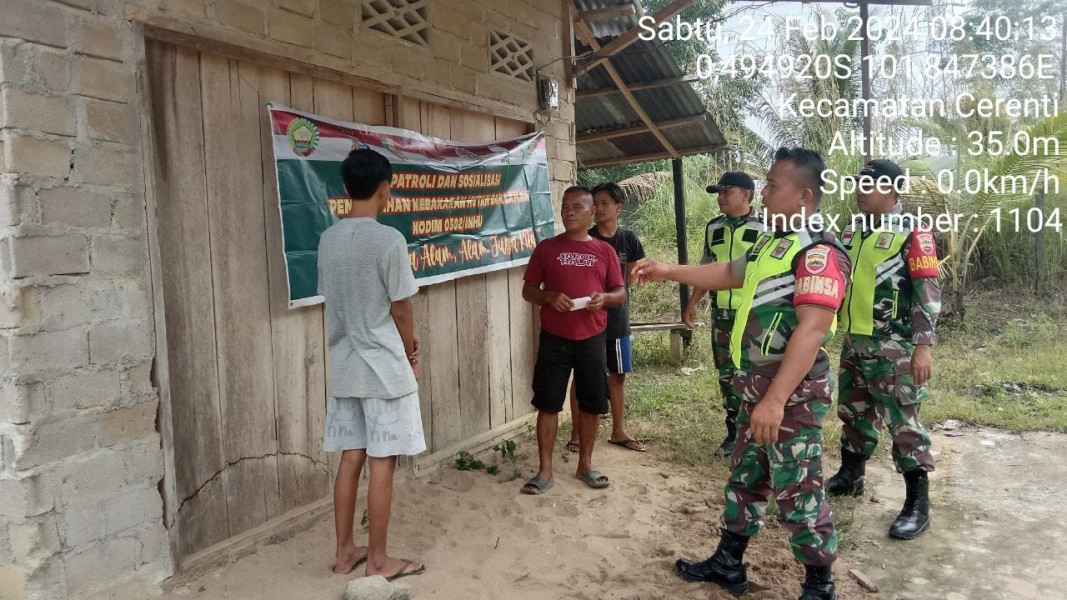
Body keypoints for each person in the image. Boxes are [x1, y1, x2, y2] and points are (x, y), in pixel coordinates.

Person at [634, 148, 848, 600]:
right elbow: (729, 272)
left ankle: (819, 585)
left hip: (789, 396)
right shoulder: (774, 241)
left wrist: (774, 401)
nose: (764, 193)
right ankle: (729, 563)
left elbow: (811, 331)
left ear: (805, 196)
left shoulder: (818, 252)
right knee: (747, 478)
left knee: (799, 489)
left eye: (773, 186)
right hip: (757, 387)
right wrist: (666, 270)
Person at [318, 148, 426, 580]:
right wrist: (410, 350)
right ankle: (379, 561)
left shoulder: (328, 238)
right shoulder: (389, 241)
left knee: (351, 458)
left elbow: (333, 298)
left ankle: (345, 553)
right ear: (386, 191)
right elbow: (400, 308)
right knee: (383, 461)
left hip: (345, 366)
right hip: (382, 367)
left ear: (345, 188)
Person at [826, 159, 940, 540]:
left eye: (868, 184)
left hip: (894, 344)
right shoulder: (853, 228)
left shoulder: (913, 231)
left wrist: (922, 346)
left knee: (903, 422)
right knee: (854, 411)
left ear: (891, 188)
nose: (859, 190)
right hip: (855, 339)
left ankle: (917, 504)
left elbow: (927, 292)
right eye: (858, 183)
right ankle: (851, 475)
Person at [520, 186, 627, 495]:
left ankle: (585, 465)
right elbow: (528, 290)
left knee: (591, 404)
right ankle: (545, 471)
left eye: (577, 207)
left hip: (592, 337)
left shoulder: (604, 251)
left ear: (591, 212)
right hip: (555, 338)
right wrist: (549, 296)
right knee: (548, 403)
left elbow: (620, 293)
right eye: (565, 206)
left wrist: (603, 298)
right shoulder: (547, 248)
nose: (568, 211)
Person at [682, 172, 766, 457]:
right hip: (722, 314)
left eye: (726, 192)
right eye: (718, 192)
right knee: (726, 374)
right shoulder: (713, 227)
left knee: (755, 371)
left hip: (755, 315)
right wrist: (692, 302)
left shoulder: (766, 228)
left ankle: (756, 432)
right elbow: (707, 268)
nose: (720, 197)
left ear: (746, 194)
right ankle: (733, 433)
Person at [564, 182, 647, 453]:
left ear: (618, 207)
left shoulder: (629, 239)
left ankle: (618, 431)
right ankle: (576, 433)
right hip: (587, 320)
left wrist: (614, 295)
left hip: (618, 319)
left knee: (618, 374)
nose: (599, 208)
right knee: (582, 376)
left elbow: (632, 276)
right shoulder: (585, 239)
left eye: (605, 203)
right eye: (595, 203)